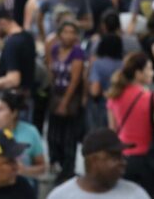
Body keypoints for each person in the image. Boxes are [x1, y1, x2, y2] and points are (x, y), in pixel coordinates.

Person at [106, 52, 154, 198]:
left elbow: (112, 130)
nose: (152, 73)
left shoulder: (114, 96)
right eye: (149, 69)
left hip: (123, 158)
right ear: (138, 73)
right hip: (147, 160)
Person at [47, 128, 151, 199]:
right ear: (94, 161)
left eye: (123, 157)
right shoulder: (62, 196)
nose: (123, 162)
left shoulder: (136, 194)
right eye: (115, 157)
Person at [47, 20, 86, 184]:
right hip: (56, 94)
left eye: (72, 32)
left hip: (70, 97)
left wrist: (64, 102)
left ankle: (67, 170)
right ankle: (56, 162)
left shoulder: (77, 53)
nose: (68, 36)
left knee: (68, 135)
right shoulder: (55, 50)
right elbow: (51, 70)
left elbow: (75, 80)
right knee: (53, 133)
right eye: (65, 32)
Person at [0, 6, 36, 102]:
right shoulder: (27, 37)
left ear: (2, 22)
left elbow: (13, 80)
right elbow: (21, 68)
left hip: (14, 101)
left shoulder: (12, 43)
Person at [88, 34, 124, 129]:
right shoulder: (124, 65)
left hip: (102, 106)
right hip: (121, 107)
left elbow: (94, 90)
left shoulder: (98, 64)